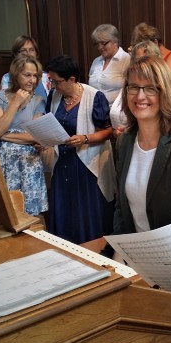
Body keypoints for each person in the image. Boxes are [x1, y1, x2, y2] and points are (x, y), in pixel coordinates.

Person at [111, 56, 171, 251]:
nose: (140, 96)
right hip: (133, 253)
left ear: (165, 93)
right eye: (134, 87)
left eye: (150, 88)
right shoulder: (124, 141)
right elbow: (121, 209)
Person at [44, 55, 116, 244]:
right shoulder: (54, 96)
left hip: (86, 165)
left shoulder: (94, 97)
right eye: (51, 81)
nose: (53, 86)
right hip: (62, 162)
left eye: (56, 81)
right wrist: (43, 140)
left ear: (71, 79)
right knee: (65, 210)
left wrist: (85, 138)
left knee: (86, 212)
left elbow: (108, 131)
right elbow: (50, 123)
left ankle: (92, 249)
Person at [0, 56, 48, 216]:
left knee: (32, 213)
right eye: (27, 75)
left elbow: (35, 136)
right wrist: (15, 103)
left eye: (35, 76)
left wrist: (2, 135)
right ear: (15, 75)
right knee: (7, 212)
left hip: (28, 162)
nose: (32, 80)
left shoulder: (38, 101)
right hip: (3, 162)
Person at [110, 41, 163, 139]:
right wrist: (121, 134)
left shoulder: (162, 86)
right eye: (138, 61)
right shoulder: (129, 85)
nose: (142, 66)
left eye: (146, 61)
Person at [88, 24, 131, 107]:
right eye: (97, 44)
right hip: (96, 111)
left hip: (117, 111)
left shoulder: (126, 60)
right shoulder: (96, 61)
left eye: (103, 43)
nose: (100, 47)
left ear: (115, 41)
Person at [0, 35, 49, 99]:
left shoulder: (46, 77)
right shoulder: (7, 78)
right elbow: (4, 102)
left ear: (36, 53)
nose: (28, 54)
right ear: (15, 54)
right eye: (23, 50)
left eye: (31, 50)